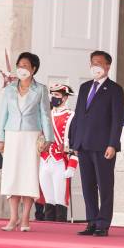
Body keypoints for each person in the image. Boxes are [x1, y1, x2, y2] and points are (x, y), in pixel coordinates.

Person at [70, 50, 124, 237]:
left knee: (105, 186)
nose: (96, 66)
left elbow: (117, 120)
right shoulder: (85, 87)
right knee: (88, 186)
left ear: (108, 66)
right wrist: (74, 143)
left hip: (103, 147)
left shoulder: (115, 90)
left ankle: (103, 223)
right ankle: (91, 221)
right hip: (84, 145)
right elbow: (78, 116)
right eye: (93, 62)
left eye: (99, 63)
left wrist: (112, 144)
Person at [0, 52, 53, 232]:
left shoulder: (41, 89)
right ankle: (13, 218)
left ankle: (26, 218)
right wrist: (0, 139)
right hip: (12, 134)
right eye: (19, 65)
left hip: (31, 135)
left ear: (33, 69)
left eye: (26, 66)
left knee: (28, 175)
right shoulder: (9, 89)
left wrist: (49, 138)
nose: (22, 69)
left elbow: (45, 114)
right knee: (12, 175)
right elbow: (3, 115)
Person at [39, 84, 78, 222]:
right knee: (48, 199)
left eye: (57, 95)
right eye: (52, 95)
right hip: (44, 159)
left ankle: (60, 229)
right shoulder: (46, 115)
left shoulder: (71, 116)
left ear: (65, 98)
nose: (54, 98)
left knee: (60, 199)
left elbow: (75, 143)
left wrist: (72, 165)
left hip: (60, 161)